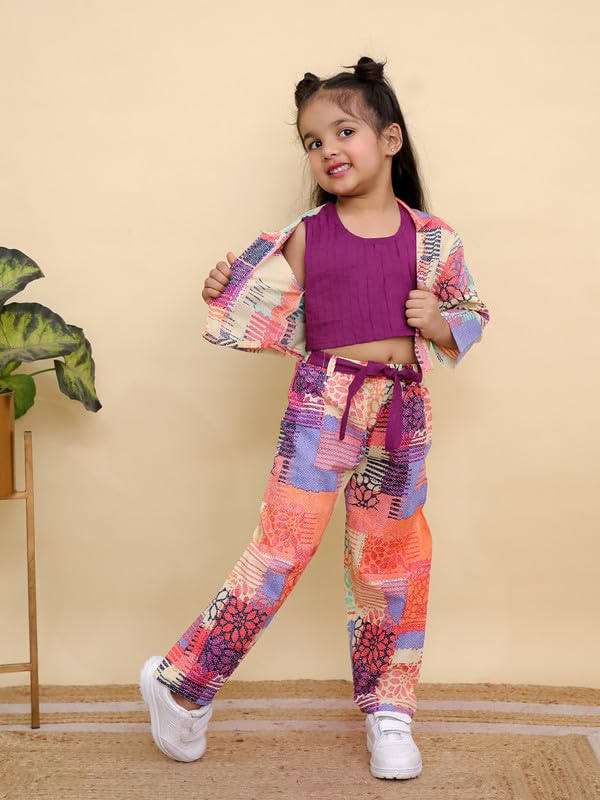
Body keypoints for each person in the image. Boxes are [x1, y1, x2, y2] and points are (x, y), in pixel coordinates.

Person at [139, 55, 490, 781]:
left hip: (401, 409)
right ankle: (184, 681)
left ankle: (391, 710)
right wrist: (223, 285)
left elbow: (472, 316)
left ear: (389, 139)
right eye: (312, 140)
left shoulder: (435, 238)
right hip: (322, 405)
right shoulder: (304, 235)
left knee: (393, 560)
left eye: (344, 131)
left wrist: (440, 322)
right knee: (281, 550)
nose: (328, 148)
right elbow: (249, 310)